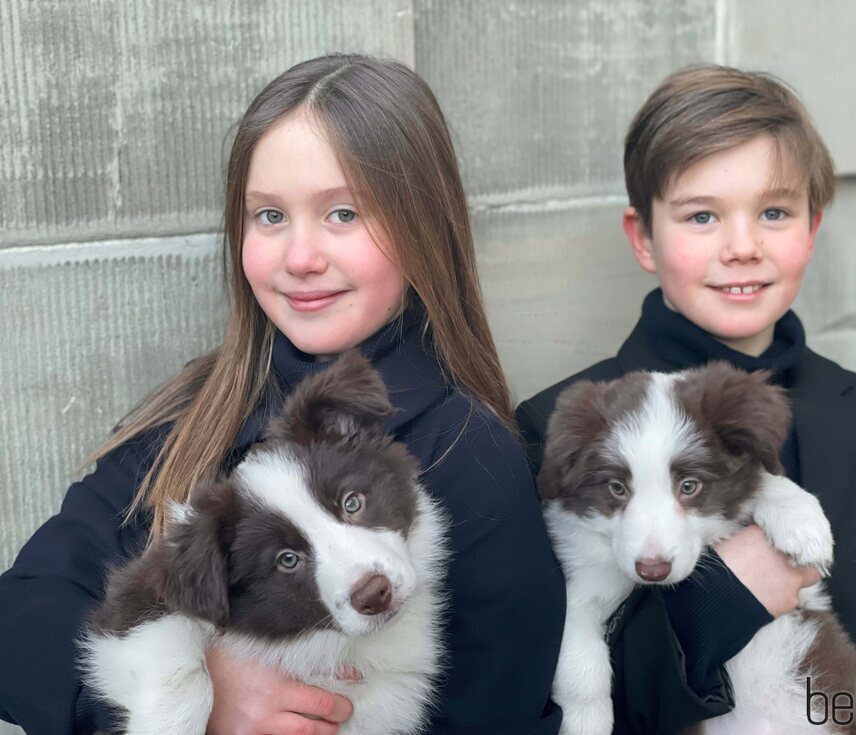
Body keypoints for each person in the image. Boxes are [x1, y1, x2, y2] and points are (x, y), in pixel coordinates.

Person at [0, 54, 565, 735]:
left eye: (344, 212)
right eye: (269, 215)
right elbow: (22, 613)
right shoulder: (197, 412)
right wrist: (198, 695)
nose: (300, 256)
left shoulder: (467, 453)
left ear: (425, 226)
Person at [517, 65, 856, 734]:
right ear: (643, 236)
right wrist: (724, 600)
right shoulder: (554, 432)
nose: (742, 247)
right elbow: (545, 691)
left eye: (774, 212)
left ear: (812, 226)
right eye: (701, 215)